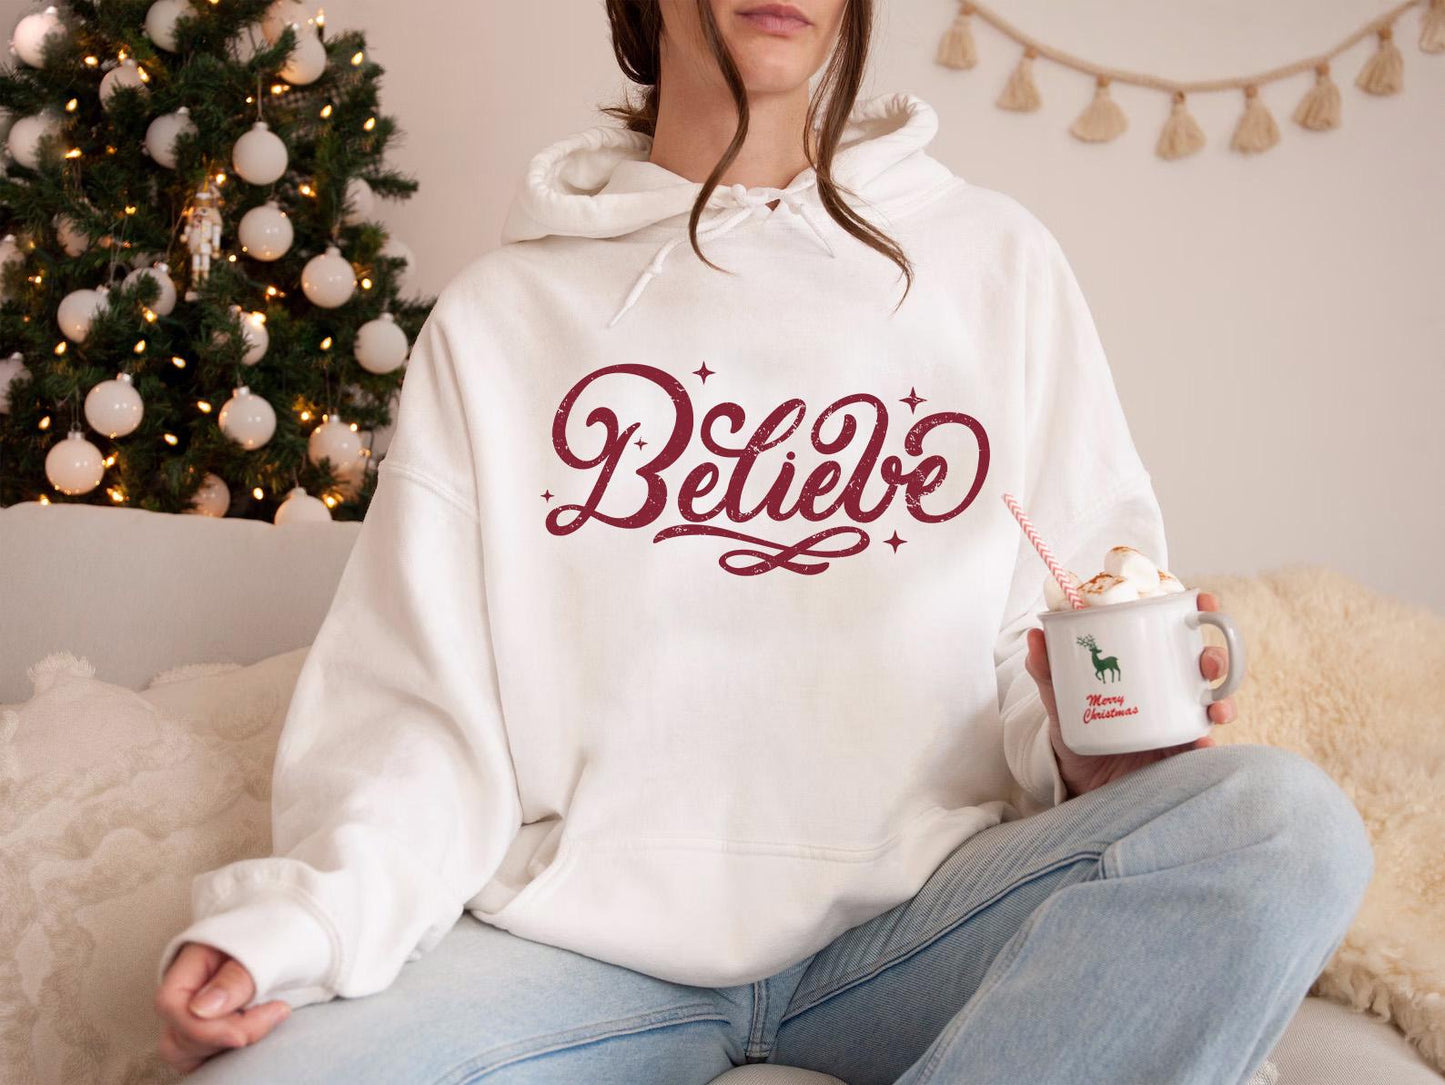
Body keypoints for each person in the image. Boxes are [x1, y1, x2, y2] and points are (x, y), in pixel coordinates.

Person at [153, 1, 1373, 1081]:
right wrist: (303, 922)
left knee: (1282, 825)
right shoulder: (502, 319)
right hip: (583, 949)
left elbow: (1048, 618)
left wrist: (1075, 749)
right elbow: (421, 712)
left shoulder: (994, 266)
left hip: (919, 922)